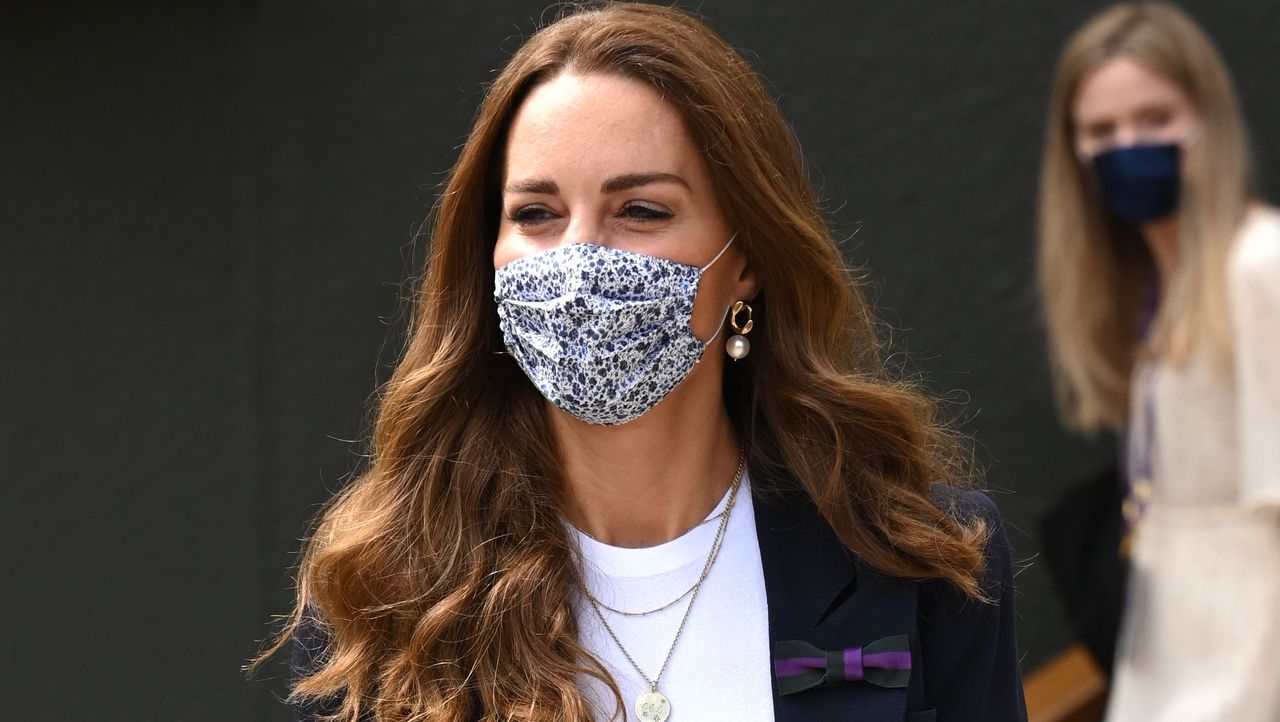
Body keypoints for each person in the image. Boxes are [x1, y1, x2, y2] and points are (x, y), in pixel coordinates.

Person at [258, 4, 1027, 721]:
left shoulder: (920, 564)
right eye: (536, 214)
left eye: (640, 211)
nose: (580, 258)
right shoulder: (378, 597)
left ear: (748, 259)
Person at [1038, 3, 1280, 720]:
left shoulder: (1259, 267)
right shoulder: (1155, 294)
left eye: (1155, 119)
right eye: (1102, 131)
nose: (1128, 146)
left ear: (1208, 119)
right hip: (1168, 669)